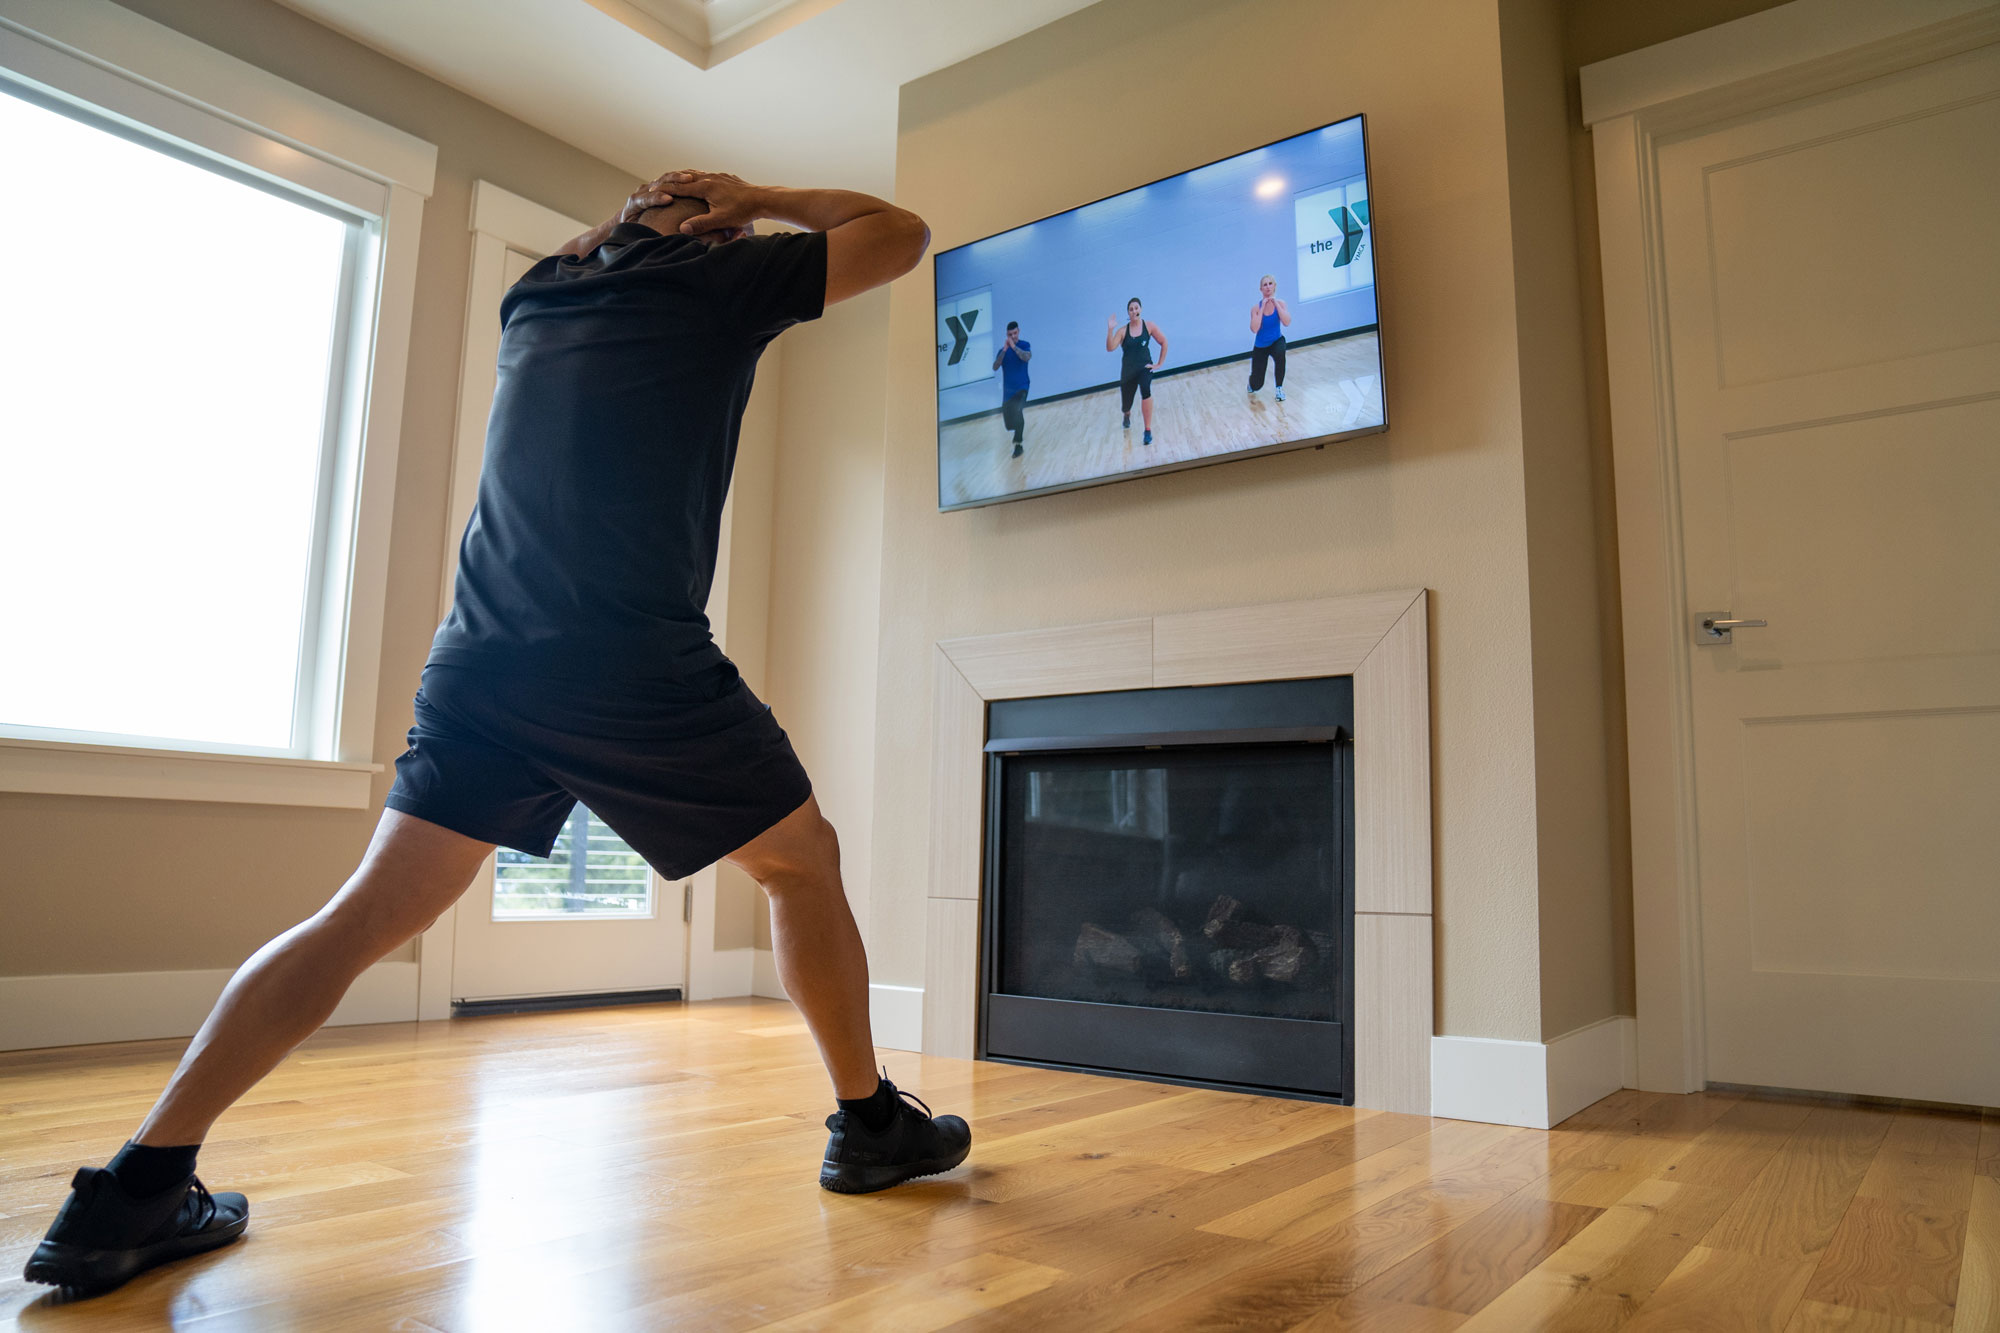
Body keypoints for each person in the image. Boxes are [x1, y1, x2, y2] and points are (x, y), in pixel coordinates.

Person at [22, 169, 969, 1299]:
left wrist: (634, 210)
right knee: (800, 863)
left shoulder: (541, 294)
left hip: (483, 660)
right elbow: (901, 234)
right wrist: (753, 195)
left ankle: (129, 1188)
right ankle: (868, 1126)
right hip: (626, 660)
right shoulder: (715, 278)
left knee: (362, 915)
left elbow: (601, 237)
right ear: (704, 230)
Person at [1106, 297, 1168, 446]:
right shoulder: (1122, 331)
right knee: (1127, 404)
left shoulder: (1149, 326)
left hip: (1144, 367)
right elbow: (1110, 347)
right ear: (1129, 313)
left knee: (1146, 389)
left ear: (1140, 309)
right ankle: (1127, 415)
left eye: (1136, 308)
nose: (1134, 311)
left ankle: (1147, 431)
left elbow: (1164, 342)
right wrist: (1110, 329)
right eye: (1131, 309)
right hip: (1128, 372)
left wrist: (1159, 363)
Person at [992, 320, 1032, 457]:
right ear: (1007, 335)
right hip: (1008, 393)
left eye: (1015, 333)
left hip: (1022, 387)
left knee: (1018, 410)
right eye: (1010, 334)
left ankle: (1018, 444)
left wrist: (1014, 347)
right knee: (1009, 424)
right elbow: (995, 367)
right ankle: (1017, 431)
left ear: (1018, 331)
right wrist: (1004, 350)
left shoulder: (1024, 345)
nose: (1013, 336)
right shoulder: (1002, 351)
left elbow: (1026, 357)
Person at [1248, 274, 1290, 401]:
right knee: (1257, 384)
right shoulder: (1255, 308)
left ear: (1274, 286)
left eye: (1270, 284)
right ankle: (1251, 383)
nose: (1268, 287)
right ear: (1261, 289)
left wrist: (1276, 304)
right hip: (1261, 346)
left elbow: (1287, 322)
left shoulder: (1281, 304)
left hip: (1276, 340)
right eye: (1265, 285)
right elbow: (1254, 329)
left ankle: (1279, 389)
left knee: (1280, 354)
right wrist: (1262, 309)